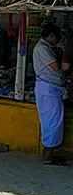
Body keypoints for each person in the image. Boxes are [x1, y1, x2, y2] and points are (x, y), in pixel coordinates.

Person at [33, 22, 67, 165]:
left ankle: (49, 154)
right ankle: (48, 156)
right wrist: (63, 53)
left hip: (50, 88)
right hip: (48, 89)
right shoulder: (42, 48)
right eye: (57, 37)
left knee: (53, 121)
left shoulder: (47, 47)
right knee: (52, 122)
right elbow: (56, 66)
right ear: (51, 35)